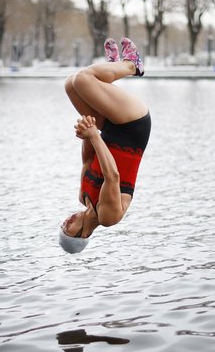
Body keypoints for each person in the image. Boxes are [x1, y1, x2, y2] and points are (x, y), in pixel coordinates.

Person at [59, 38, 151, 254]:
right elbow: (113, 176)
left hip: (111, 130)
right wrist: (93, 135)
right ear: (82, 235)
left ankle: (112, 67)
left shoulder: (83, 196)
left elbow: (88, 159)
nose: (65, 223)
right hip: (132, 129)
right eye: (67, 230)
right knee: (84, 80)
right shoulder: (108, 217)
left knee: (71, 84)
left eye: (62, 226)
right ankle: (132, 65)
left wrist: (86, 134)